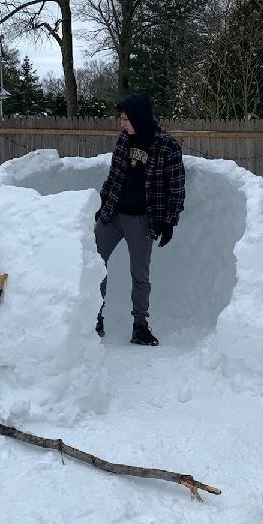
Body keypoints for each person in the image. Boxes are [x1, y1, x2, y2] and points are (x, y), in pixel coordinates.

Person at [94, 92, 185, 346]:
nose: (122, 124)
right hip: (113, 214)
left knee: (140, 275)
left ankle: (140, 326)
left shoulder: (167, 146)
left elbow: (176, 189)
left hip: (142, 220)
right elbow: (114, 175)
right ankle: (93, 318)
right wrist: (102, 204)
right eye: (121, 119)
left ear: (139, 117)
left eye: (125, 119)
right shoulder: (124, 139)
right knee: (94, 264)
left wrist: (169, 222)